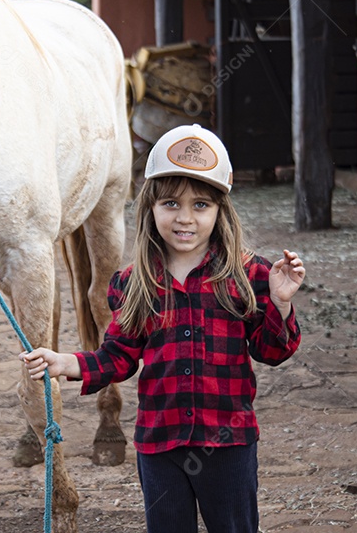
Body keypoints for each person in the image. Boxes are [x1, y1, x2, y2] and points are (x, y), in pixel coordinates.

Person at [21, 124, 305, 533]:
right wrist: (68, 362)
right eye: (171, 203)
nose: (184, 218)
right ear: (150, 208)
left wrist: (281, 302)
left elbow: (273, 352)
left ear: (220, 210)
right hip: (159, 447)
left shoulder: (249, 274)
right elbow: (117, 356)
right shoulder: (133, 283)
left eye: (201, 205)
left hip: (228, 444)